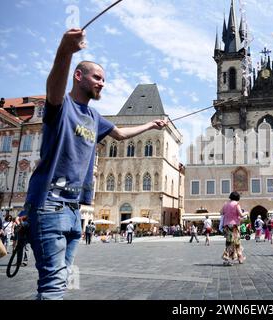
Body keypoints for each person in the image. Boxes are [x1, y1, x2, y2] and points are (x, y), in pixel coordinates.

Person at [15, 28, 167, 300]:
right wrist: (65, 50)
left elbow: (120, 134)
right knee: (52, 285)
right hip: (49, 202)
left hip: (74, 209)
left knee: (60, 280)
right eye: (97, 77)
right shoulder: (62, 106)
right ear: (78, 76)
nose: (102, 83)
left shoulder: (94, 117)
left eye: (104, 79)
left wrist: (152, 124)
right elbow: (54, 87)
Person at [220, 191, 246, 266]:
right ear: (238, 197)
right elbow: (241, 214)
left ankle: (239, 258)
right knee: (236, 242)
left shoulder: (225, 204)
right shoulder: (236, 204)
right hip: (234, 226)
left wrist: (228, 214)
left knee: (229, 242)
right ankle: (230, 259)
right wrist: (246, 213)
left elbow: (221, 212)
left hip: (227, 226)